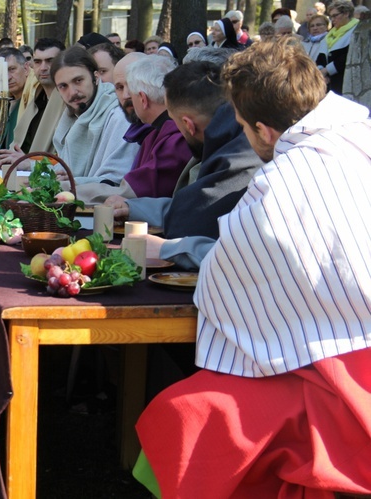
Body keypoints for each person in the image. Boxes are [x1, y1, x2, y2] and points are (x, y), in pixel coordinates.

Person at [134, 38, 371, 498]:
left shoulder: (281, 186)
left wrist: (176, 248)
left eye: (241, 126)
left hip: (344, 379)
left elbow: (226, 281)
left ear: (265, 130)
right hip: (351, 349)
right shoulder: (359, 133)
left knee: (185, 414)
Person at [100, 61, 263, 254]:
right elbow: (193, 205)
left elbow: (191, 218)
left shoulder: (238, 154)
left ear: (188, 125)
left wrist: (168, 249)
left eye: (174, 120)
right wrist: (134, 208)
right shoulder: (232, 137)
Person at [49, 46, 140, 185]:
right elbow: (64, 171)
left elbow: (116, 180)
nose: (72, 92)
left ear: (96, 77)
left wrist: (74, 183)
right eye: (63, 86)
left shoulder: (120, 116)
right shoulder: (72, 116)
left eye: (78, 80)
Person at [108, 54, 192, 199]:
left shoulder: (177, 137)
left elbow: (136, 191)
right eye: (119, 87)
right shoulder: (154, 132)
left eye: (131, 90)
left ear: (143, 99)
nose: (126, 96)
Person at [0, 38, 67, 163]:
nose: (43, 68)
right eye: (37, 62)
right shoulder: (35, 98)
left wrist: (30, 163)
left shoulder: (70, 103)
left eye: (50, 61)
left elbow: (67, 158)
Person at [0, 47, 31, 148]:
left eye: (12, 69)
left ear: (26, 68)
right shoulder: (5, 103)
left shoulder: (35, 100)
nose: (8, 77)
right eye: (1, 72)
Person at [321, 0, 358, 94]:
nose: (332, 20)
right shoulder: (330, 34)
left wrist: (327, 70)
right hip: (327, 82)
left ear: (346, 13)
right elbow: (321, 55)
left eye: (335, 15)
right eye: (330, 16)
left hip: (345, 81)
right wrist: (321, 73)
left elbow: (350, 55)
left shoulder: (356, 31)